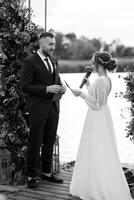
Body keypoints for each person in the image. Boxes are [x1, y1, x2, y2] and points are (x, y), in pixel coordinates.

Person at [69, 51, 133, 200]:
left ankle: (99, 186)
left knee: (98, 149)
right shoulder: (104, 79)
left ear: (99, 64)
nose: (92, 65)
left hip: (98, 117)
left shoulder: (103, 81)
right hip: (99, 116)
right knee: (94, 148)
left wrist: (81, 94)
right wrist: (87, 84)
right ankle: (91, 182)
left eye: (93, 62)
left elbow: (98, 104)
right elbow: (96, 95)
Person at [21, 32, 66, 189]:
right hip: (38, 108)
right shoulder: (30, 61)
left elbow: (56, 79)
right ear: (41, 44)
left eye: (54, 44)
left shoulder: (54, 60)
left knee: (49, 140)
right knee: (35, 142)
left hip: (54, 107)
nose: (53, 47)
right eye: (50, 44)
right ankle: (32, 175)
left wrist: (62, 87)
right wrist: (46, 89)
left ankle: (46, 172)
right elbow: (25, 86)